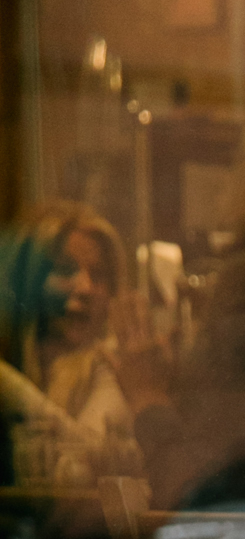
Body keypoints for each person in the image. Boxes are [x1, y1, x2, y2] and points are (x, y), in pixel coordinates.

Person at [0, 204, 172, 494]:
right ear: (27, 278)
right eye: (64, 269)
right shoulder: (13, 357)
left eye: (99, 275)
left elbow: (84, 458)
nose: (85, 288)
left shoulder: (112, 364)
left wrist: (9, 387)